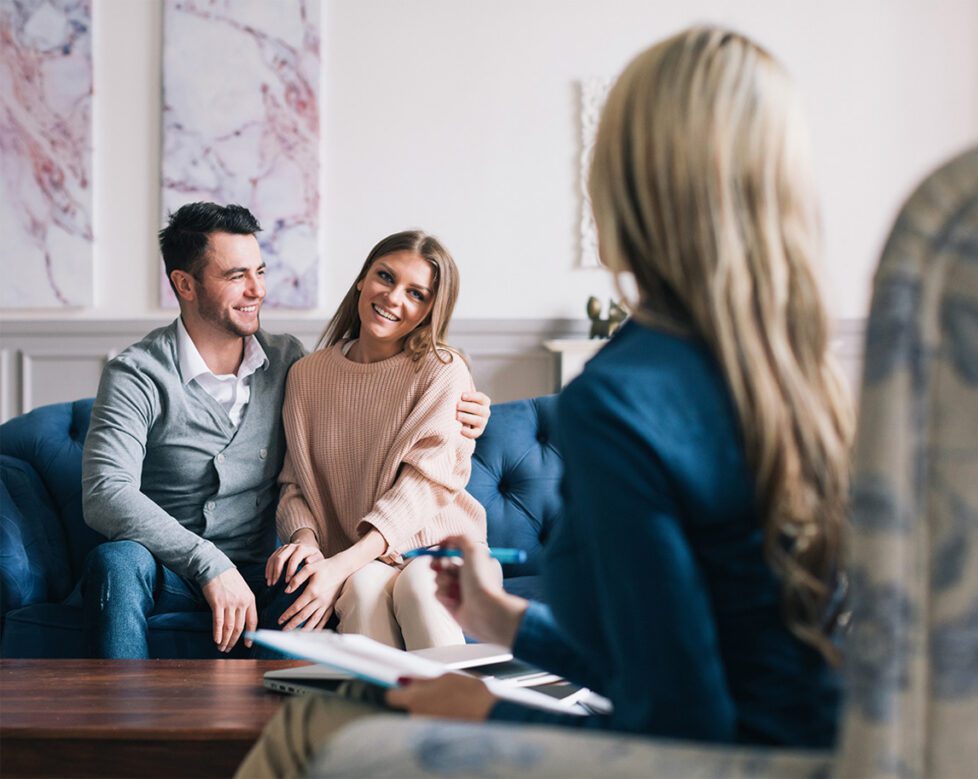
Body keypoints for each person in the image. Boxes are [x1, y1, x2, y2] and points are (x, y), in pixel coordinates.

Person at [237, 24, 854, 775]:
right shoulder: (799, 372)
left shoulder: (622, 397)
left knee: (312, 728)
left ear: (624, 186)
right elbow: (688, 651)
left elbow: (680, 719)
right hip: (820, 749)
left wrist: (490, 709)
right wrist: (499, 618)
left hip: (714, 759)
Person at [80, 203, 491, 658]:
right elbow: (106, 492)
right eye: (237, 276)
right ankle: (121, 723)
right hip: (170, 569)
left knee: (345, 584)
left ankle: (318, 721)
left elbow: (393, 435)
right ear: (185, 284)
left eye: (260, 271)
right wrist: (214, 562)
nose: (257, 290)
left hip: (273, 573)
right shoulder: (139, 373)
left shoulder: (285, 362)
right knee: (116, 560)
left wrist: (468, 414)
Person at [263, 230, 486, 650]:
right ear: (363, 279)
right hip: (365, 561)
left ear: (430, 311)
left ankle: (459, 714)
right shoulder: (307, 375)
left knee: (421, 584)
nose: (393, 298)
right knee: (362, 590)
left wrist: (339, 566)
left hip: (441, 548)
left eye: (416, 293)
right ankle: (383, 715)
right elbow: (295, 483)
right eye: (386, 277)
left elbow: (423, 488)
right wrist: (307, 544)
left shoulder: (443, 370)